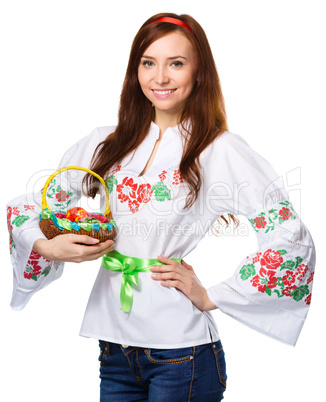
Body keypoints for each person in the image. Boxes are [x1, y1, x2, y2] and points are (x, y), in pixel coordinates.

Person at [6, 12, 316, 402]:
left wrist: (214, 295)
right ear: (135, 70)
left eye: (177, 63)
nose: (160, 78)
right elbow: (33, 204)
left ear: (199, 71)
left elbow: (290, 236)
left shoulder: (218, 150)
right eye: (148, 63)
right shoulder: (106, 143)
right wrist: (47, 246)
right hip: (114, 350)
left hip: (181, 354)